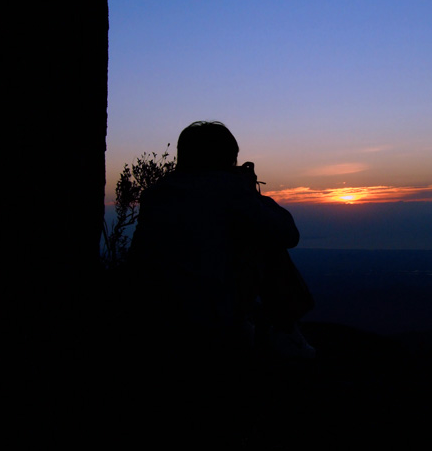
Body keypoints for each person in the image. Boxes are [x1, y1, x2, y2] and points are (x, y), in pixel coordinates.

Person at [128, 121, 315, 360]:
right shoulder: (227, 189)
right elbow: (288, 234)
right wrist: (249, 192)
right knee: (266, 244)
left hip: (154, 311)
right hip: (209, 317)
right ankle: (287, 335)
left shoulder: (156, 192)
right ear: (225, 158)